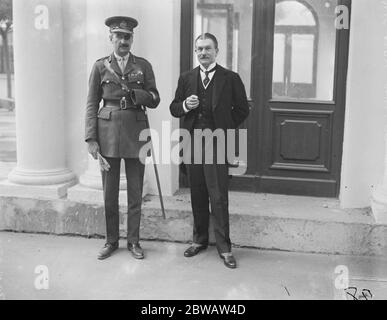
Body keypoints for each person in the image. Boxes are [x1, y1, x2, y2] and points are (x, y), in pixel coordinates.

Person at [169, 33, 249, 268]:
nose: (203, 53)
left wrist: (223, 125)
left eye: (207, 48)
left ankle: (225, 248)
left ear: (217, 50)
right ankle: (199, 240)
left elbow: (243, 109)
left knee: (218, 196)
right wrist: (185, 105)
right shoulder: (186, 78)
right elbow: (174, 108)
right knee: (198, 193)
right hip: (192, 142)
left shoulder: (230, 78)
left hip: (217, 142)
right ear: (196, 52)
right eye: (199, 49)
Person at [85, 16, 160, 260]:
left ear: (132, 39)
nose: (123, 40)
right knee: (109, 194)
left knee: (135, 193)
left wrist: (139, 95)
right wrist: (91, 138)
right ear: (111, 38)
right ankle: (111, 241)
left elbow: (155, 98)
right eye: (119, 35)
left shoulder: (143, 66)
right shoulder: (99, 67)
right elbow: (91, 104)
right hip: (107, 135)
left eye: (128, 36)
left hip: (136, 134)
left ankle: (134, 242)